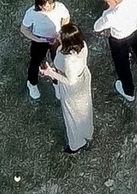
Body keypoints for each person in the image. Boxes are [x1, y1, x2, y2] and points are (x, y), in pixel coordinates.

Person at [37, 23, 96, 151]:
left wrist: (50, 73)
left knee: (72, 115)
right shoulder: (82, 45)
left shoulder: (69, 61)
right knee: (84, 109)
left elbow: (70, 81)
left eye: (60, 34)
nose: (58, 34)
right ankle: (87, 132)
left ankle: (76, 144)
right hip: (83, 77)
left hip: (72, 89)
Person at [19, 0, 69, 101]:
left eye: (52, 4)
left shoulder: (59, 7)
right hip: (40, 39)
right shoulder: (31, 13)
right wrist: (37, 39)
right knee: (35, 62)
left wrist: (62, 32)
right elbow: (24, 29)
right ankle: (32, 83)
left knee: (58, 62)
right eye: (48, 6)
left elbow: (66, 18)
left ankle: (57, 83)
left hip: (56, 39)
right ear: (40, 6)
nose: (51, 8)